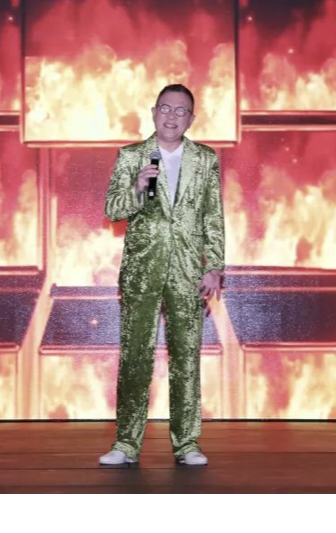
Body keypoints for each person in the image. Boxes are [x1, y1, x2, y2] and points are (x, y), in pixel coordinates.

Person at [98, 83, 225, 467]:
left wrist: (214, 266)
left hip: (188, 272)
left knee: (186, 358)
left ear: (191, 118)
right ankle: (126, 443)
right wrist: (137, 188)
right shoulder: (131, 155)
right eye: (166, 108)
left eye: (180, 110)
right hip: (142, 270)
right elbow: (113, 210)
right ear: (154, 113)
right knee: (135, 357)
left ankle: (187, 443)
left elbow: (212, 216)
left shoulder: (205, 159)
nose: (172, 116)